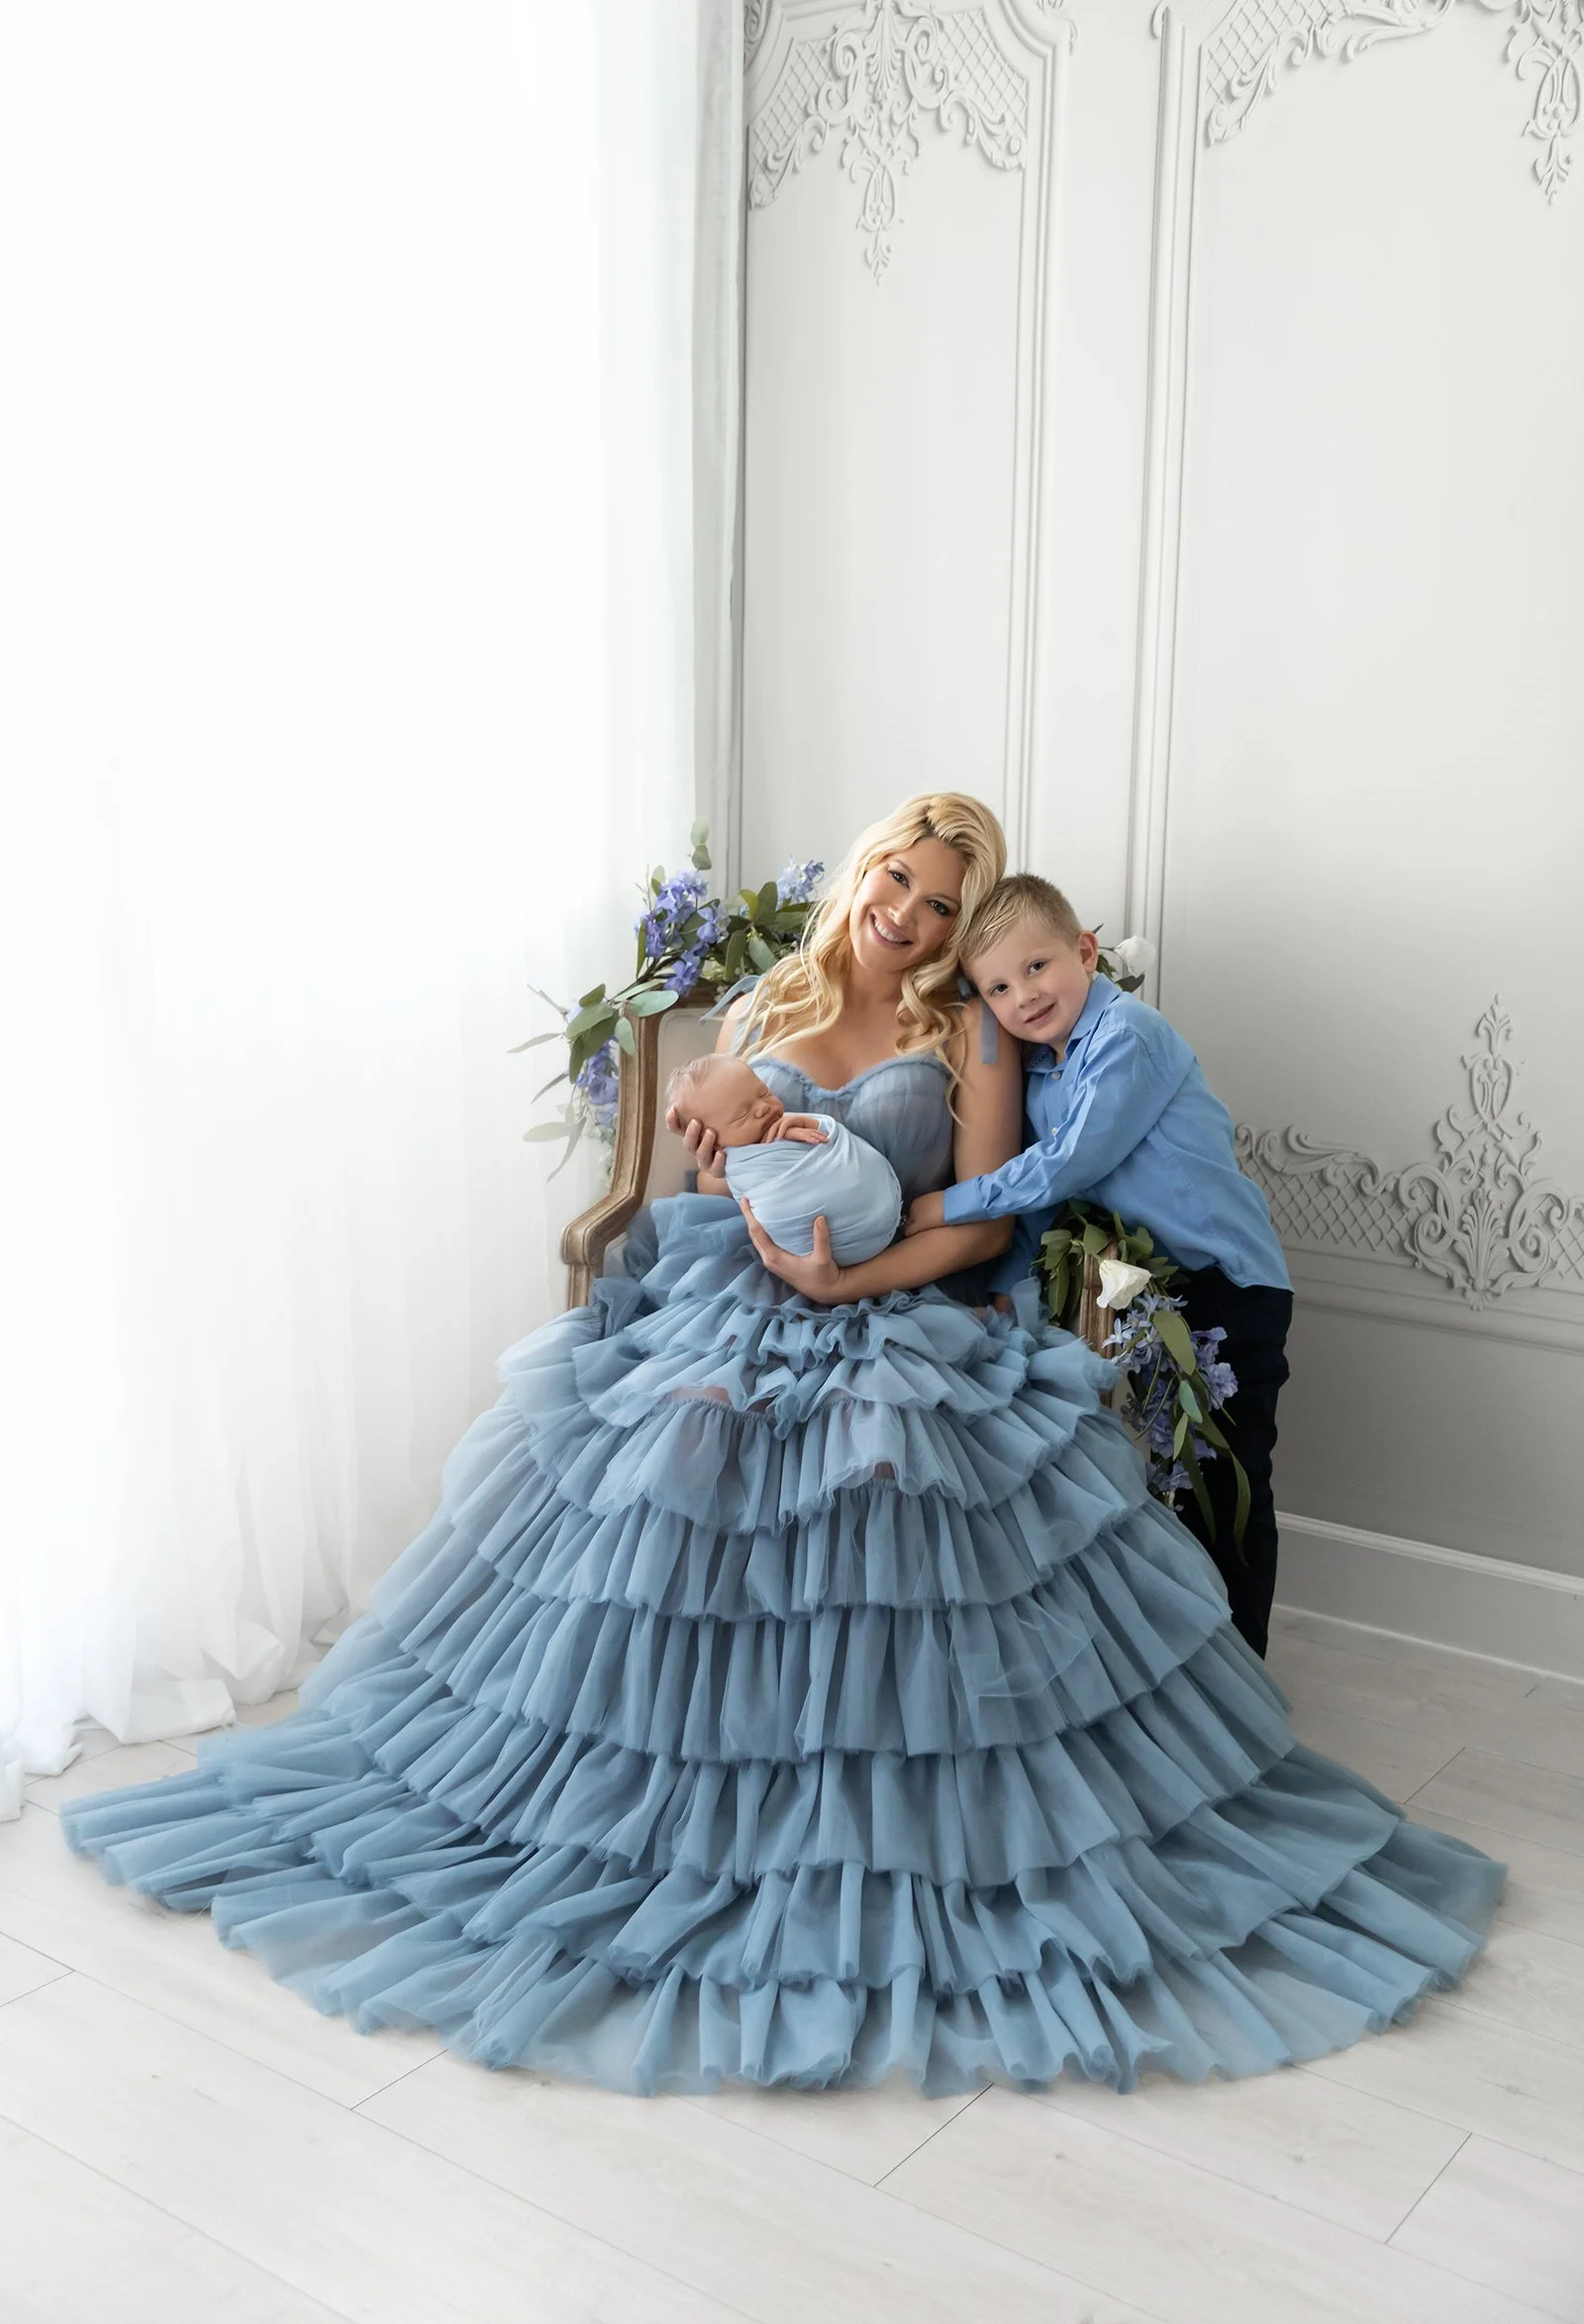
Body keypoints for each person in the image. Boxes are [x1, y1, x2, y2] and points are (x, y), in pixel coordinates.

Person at [60, 795, 1503, 2096]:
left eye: (947, 903)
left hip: (899, 1304)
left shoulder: (977, 1029)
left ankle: (878, 1822)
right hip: (740, 1297)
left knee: (889, 1486)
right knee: (667, 1472)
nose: (914, 914)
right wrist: (754, 1207)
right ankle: (639, 1801)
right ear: (865, 869)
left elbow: (990, 1215)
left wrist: (844, 1286)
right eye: (902, 878)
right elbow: (726, 1153)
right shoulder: (769, 999)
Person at [905, 873, 1293, 1657]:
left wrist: (941, 1205)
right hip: (1149, 1294)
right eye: (1001, 987)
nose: (1024, 996)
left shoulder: (1129, 1037)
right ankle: (1185, 1660)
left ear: (1085, 950)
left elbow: (1066, 1167)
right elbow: (1046, 1214)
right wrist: (995, 1298)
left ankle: (1244, 1664)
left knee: (1225, 1479)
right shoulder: (1043, 1071)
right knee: (1161, 1480)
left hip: (1227, 1285)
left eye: (1038, 967)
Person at [665, 1053, 901, 1268]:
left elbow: (827, 1139)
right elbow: (744, 1191)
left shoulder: (786, 1125)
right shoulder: (736, 1162)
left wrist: (808, 1127)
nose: (763, 1108)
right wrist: (718, 1171)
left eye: (764, 1092)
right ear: (714, 1140)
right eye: (742, 1115)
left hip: (891, 1233)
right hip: (802, 1260)